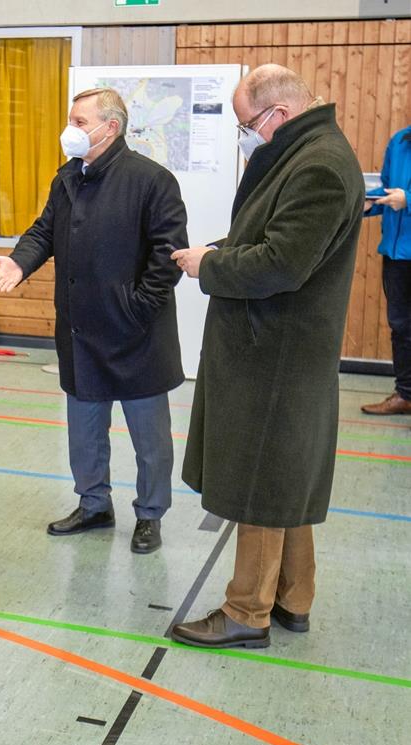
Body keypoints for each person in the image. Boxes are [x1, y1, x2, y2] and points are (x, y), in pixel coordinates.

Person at [170, 64, 364, 649]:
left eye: (247, 124)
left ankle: (245, 612)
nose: (245, 135)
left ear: (277, 115)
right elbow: (269, 235)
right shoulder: (304, 154)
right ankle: (292, 597)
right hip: (277, 345)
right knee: (286, 477)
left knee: (260, 479)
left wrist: (211, 266)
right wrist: (221, 248)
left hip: (277, 351)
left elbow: (281, 263)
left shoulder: (320, 167)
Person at [0, 87, 187, 555]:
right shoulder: (68, 178)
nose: (70, 129)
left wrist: (135, 307)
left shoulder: (151, 180)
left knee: (149, 440)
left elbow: (167, 255)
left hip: (137, 334)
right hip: (81, 332)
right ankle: (94, 504)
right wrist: (20, 261)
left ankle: (150, 514)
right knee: (85, 432)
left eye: (79, 121)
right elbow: (44, 230)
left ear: (109, 127)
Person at [359, 126, 411, 416]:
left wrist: (409, 200)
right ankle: (405, 394)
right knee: (401, 326)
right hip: (395, 254)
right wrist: (368, 203)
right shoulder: (400, 141)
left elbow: (403, 196)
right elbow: (389, 188)